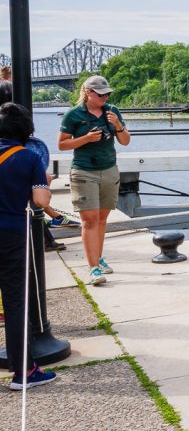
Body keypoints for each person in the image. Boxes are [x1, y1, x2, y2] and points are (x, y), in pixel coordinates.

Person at [0, 102, 57, 389]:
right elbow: (41, 202)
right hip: (10, 235)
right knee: (15, 303)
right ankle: (24, 372)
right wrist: (44, 182)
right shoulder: (28, 158)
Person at [57, 75, 130, 285]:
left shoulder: (112, 111)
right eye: (101, 94)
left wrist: (117, 125)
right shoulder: (73, 114)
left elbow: (125, 141)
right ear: (88, 93)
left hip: (109, 170)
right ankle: (94, 269)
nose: (105, 97)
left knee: (101, 218)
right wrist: (86, 139)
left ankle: (98, 258)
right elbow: (62, 145)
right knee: (89, 220)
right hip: (84, 171)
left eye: (107, 94)